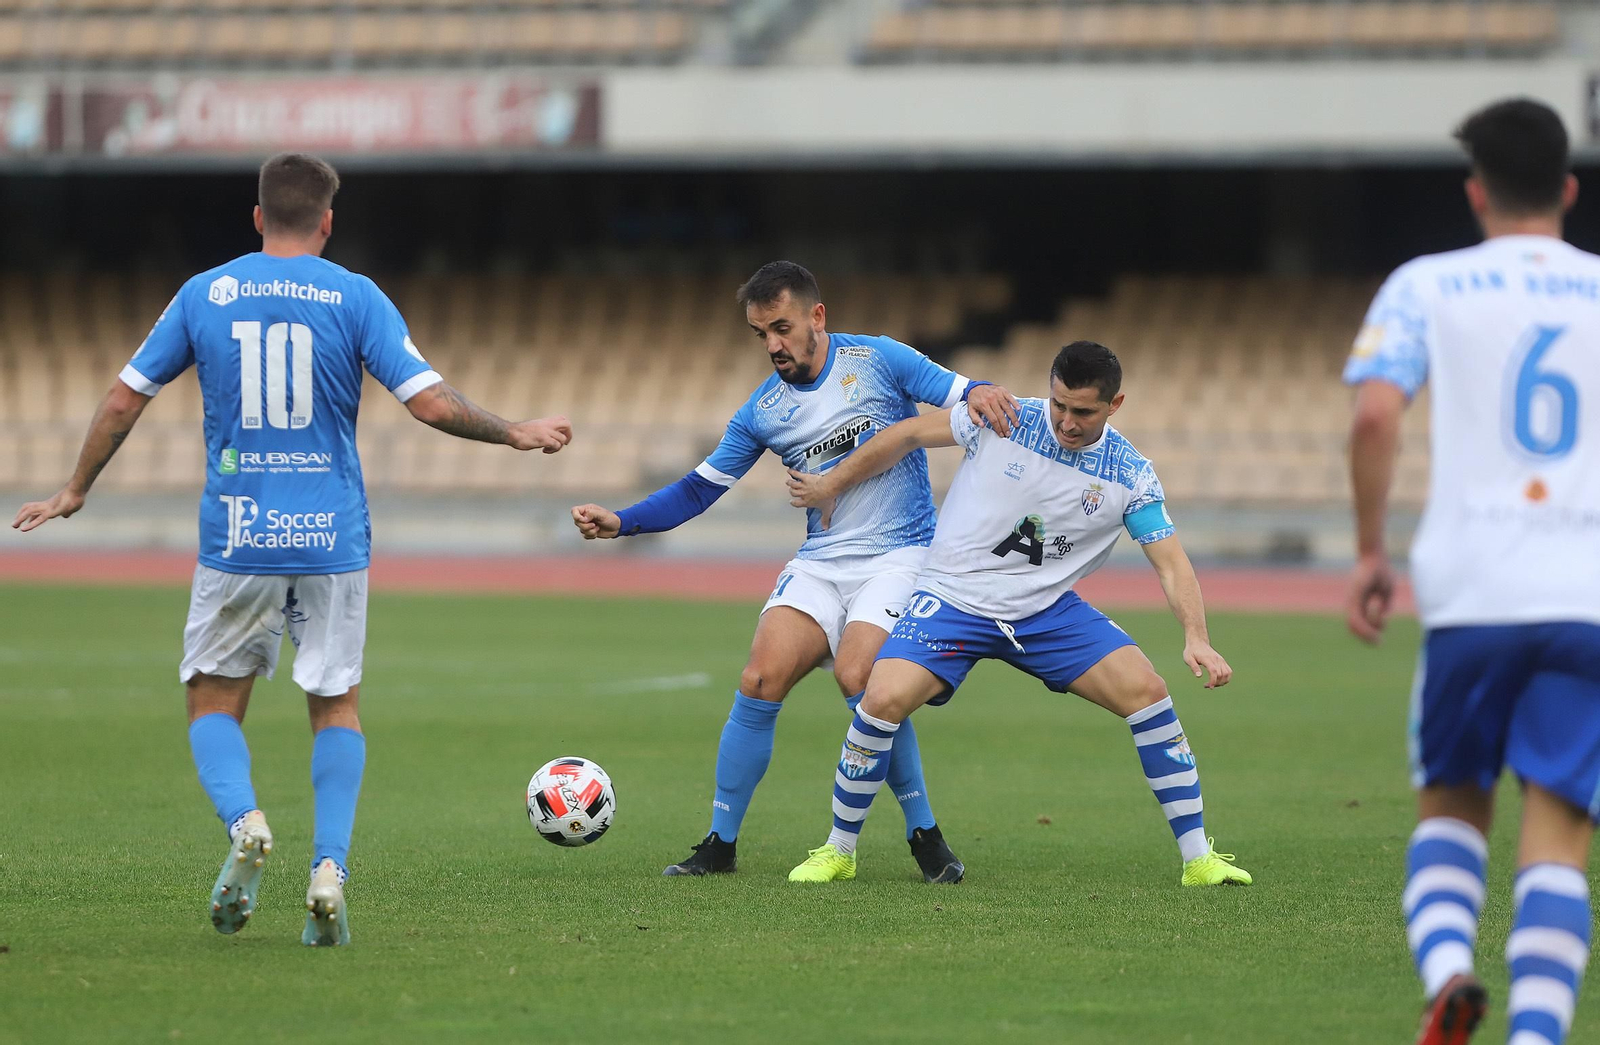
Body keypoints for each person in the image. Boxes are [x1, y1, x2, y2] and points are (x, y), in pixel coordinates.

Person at [12, 153, 572, 946]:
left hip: (238, 535)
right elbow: (432, 403)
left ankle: (245, 822)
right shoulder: (356, 296)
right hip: (334, 538)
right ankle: (329, 870)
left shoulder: (204, 292)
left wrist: (75, 488)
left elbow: (122, 396)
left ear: (257, 215)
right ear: (328, 222)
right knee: (335, 706)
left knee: (212, 701)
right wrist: (514, 430)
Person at [571, 260, 1019, 882]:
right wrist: (623, 522)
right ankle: (719, 846)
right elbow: (700, 489)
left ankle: (925, 836)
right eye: (760, 334)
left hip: (899, 555)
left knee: (861, 679)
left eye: (781, 327)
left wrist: (983, 388)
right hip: (822, 561)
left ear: (817, 316)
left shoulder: (879, 360)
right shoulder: (764, 410)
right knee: (759, 678)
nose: (773, 345)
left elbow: (961, 390)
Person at [784, 340, 1251, 889]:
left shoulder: (1130, 474)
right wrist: (833, 482)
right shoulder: (1002, 419)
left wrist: (1197, 636)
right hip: (953, 599)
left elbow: (1171, 565)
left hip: (1044, 612)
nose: (1067, 422)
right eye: (1059, 405)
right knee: (880, 698)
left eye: (1083, 412)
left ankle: (1199, 861)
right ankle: (839, 850)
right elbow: (910, 433)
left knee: (1148, 692)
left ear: (1115, 405)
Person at [1346, 98, 1598, 1045]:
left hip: (1472, 591)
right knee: (1559, 836)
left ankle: (1450, 970)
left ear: (1475, 190)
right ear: (1568, 189)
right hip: (1587, 592)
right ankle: (1537, 1035)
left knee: (1452, 805)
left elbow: (1375, 416)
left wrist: (1371, 550)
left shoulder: (1427, 284)